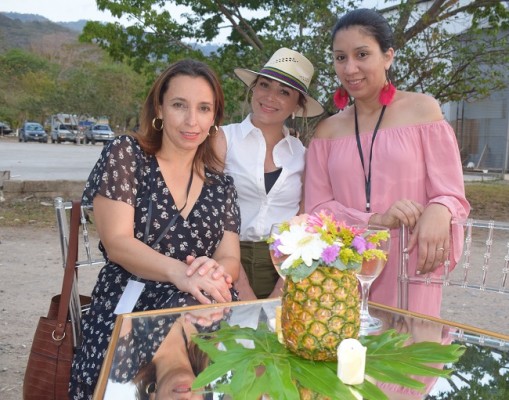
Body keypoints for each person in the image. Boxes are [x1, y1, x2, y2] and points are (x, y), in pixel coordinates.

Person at [69, 59, 241, 399]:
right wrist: (181, 273)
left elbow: (230, 256)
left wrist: (215, 271)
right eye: (180, 105)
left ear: (214, 119)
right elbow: (117, 242)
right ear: (159, 109)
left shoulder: (222, 185)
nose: (192, 120)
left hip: (204, 305)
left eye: (203, 108)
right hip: (132, 301)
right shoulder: (127, 155)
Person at [304, 8, 470, 317]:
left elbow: (451, 193)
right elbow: (316, 210)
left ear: (388, 56)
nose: (350, 68)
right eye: (340, 58)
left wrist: (440, 207)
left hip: (411, 266)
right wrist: (375, 220)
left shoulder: (423, 111)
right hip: (346, 266)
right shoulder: (328, 130)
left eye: (362, 54)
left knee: (407, 357)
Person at [213, 47, 324, 299]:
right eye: (264, 85)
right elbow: (208, 215)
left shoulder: (303, 155)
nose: (270, 97)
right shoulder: (222, 139)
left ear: (298, 105)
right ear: (253, 89)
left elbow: (306, 222)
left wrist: (282, 289)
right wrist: (241, 288)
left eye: (284, 92)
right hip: (223, 263)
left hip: (284, 267)